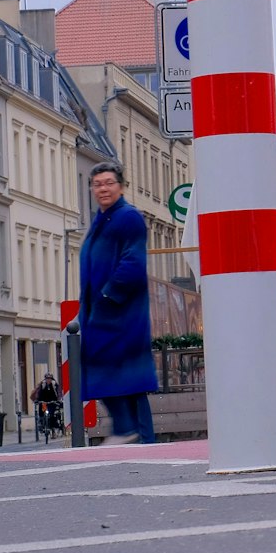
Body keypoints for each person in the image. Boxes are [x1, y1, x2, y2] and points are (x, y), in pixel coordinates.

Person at [79, 161, 159, 443]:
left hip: (120, 313)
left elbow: (133, 262)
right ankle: (137, 437)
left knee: (111, 370)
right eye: (97, 184)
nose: (103, 189)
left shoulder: (127, 217)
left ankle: (128, 430)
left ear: (121, 186)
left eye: (109, 183)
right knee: (125, 377)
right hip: (104, 312)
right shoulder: (103, 220)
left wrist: (107, 296)